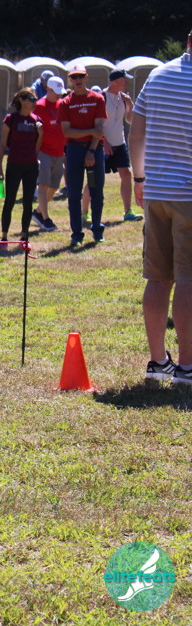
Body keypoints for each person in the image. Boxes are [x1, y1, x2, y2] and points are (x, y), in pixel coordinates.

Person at [130, 35, 192, 384]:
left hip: (156, 192)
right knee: (188, 278)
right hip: (189, 196)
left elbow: (136, 134)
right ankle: (187, 366)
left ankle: (158, 361)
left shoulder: (157, 76)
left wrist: (139, 178)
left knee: (158, 278)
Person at [59, 64, 107, 246]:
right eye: (74, 77)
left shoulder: (97, 99)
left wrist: (91, 151)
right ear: (70, 80)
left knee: (96, 191)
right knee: (73, 194)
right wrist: (90, 131)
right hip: (74, 151)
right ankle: (77, 234)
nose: (77, 80)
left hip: (94, 150)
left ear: (86, 77)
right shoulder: (65, 102)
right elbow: (67, 132)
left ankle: (97, 229)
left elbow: (99, 130)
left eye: (81, 76)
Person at [0, 88, 43, 250]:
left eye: (36, 99)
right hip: (14, 164)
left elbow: (37, 148)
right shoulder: (11, 119)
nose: (35, 102)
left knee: (28, 202)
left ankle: (24, 236)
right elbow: (2, 145)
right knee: (9, 201)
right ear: (21, 100)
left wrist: (41, 133)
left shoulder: (37, 120)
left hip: (31, 166)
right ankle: (4, 237)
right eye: (31, 99)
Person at [102, 68, 142, 222]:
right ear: (115, 82)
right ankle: (85, 212)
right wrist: (104, 142)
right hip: (104, 144)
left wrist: (130, 104)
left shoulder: (123, 98)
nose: (126, 83)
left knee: (126, 175)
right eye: (124, 80)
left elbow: (130, 120)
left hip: (120, 143)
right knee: (97, 179)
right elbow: (96, 123)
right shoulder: (101, 97)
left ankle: (128, 212)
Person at [32, 75, 66, 231]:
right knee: (43, 185)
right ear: (48, 90)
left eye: (60, 92)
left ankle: (38, 212)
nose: (59, 95)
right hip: (44, 152)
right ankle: (46, 219)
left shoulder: (62, 105)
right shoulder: (39, 106)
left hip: (59, 152)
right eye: (56, 92)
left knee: (54, 187)